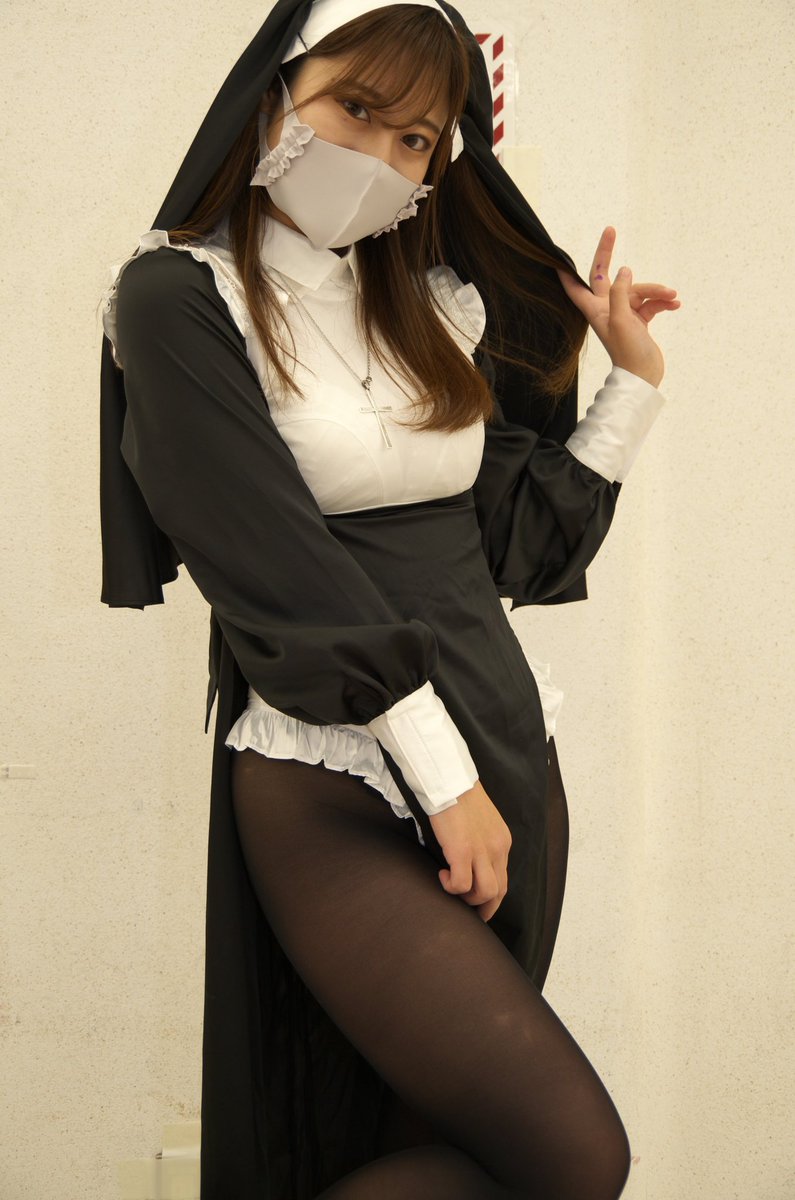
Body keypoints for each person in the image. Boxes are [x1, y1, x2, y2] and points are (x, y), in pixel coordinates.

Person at [98, 2, 679, 1197]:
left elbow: (518, 548)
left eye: (416, 138)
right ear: (276, 95)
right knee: (570, 1156)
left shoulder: (424, 306)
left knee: (446, 1150)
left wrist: (632, 380)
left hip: (508, 752)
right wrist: (446, 782)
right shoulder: (176, 299)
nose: (379, 154)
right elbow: (271, 564)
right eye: (355, 108)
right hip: (337, 770)